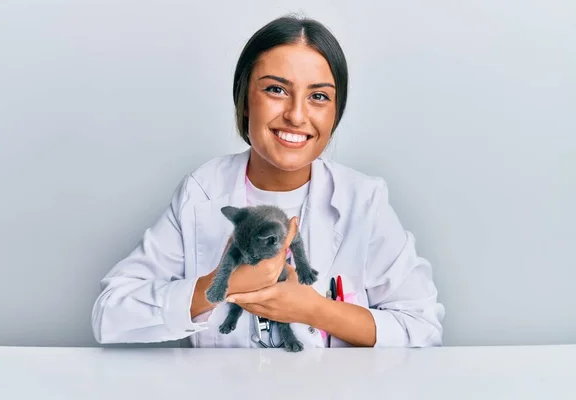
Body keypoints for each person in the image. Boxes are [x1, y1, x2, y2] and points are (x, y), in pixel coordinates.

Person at [91, 14, 445, 349]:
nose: (296, 114)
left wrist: (313, 309)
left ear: (336, 111)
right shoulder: (202, 191)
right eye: (276, 90)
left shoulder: (363, 199)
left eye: (319, 96)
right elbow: (110, 313)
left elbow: (423, 326)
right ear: (245, 99)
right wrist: (221, 285)